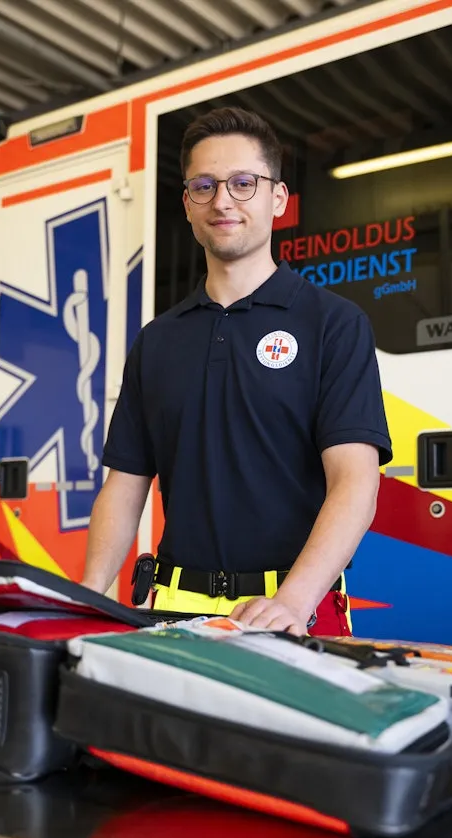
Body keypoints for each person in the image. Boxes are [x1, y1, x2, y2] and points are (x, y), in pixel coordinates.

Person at [81, 106, 392, 636]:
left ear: (277, 198)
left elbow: (355, 482)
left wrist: (291, 602)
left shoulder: (334, 324)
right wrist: (85, 601)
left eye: (243, 183)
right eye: (204, 186)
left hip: (298, 612)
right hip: (173, 611)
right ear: (187, 204)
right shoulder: (157, 340)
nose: (222, 200)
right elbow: (126, 484)